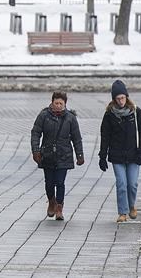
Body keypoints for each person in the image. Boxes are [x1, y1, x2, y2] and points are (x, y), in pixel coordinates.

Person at [98, 79, 141, 223]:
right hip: (117, 155)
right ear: (113, 99)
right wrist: (102, 156)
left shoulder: (135, 112)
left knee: (132, 184)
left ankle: (131, 205)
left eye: (122, 97)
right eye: (117, 98)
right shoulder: (109, 114)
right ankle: (122, 212)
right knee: (121, 184)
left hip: (134, 154)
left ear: (126, 97)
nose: (121, 101)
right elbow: (105, 136)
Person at [31, 91, 84, 221]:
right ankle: (51, 201)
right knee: (49, 183)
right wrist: (36, 150)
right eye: (56, 103)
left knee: (60, 182)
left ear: (65, 104)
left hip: (64, 154)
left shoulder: (70, 118)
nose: (59, 105)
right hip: (47, 154)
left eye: (61, 103)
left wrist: (79, 155)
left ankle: (59, 207)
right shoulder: (44, 116)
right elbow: (36, 133)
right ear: (52, 103)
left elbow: (76, 137)